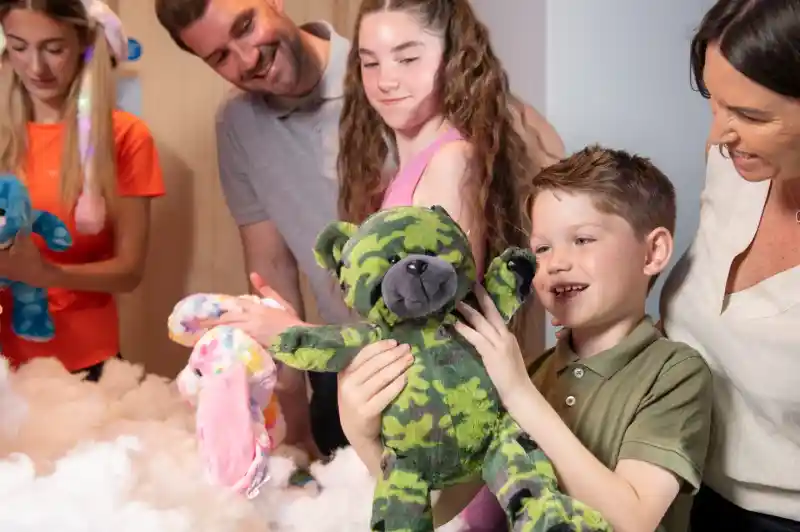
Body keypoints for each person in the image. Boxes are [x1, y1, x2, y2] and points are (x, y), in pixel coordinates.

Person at [153, 0, 564, 460]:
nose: (246, 58)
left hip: (421, 387)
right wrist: (295, 417)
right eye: (220, 57)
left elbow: (441, 326)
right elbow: (269, 264)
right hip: (352, 371)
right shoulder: (243, 125)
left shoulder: (426, 120)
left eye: (245, 26)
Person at [343, 145, 714, 530]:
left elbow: (634, 520)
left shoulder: (675, 372)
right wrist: (364, 437)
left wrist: (519, 392)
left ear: (653, 252)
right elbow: (437, 510)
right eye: (541, 248)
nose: (556, 263)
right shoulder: (532, 372)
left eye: (583, 240)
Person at [658, 0, 800, 530]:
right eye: (714, 103)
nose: (720, 133)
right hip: (682, 487)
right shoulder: (733, 165)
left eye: (750, 115)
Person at [0, 0, 164, 382]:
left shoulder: (124, 137)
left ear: (84, 45)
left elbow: (129, 271)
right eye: (19, 46)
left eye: (54, 49)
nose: (35, 67)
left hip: (84, 368)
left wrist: (45, 273)